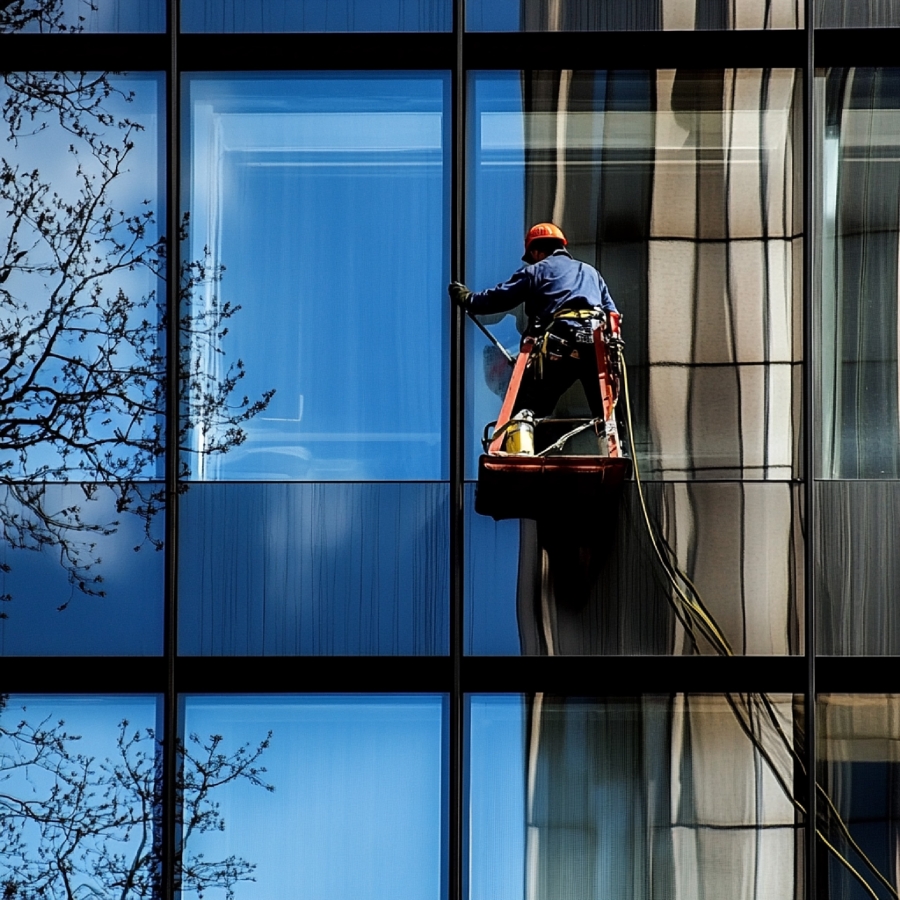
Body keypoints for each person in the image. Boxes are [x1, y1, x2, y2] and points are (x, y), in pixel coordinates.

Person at [448, 223, 620, 423]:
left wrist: (468, 299)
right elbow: (612, 316)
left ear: (537, 251)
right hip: (595, 345)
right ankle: (616, 442)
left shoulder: (536, 271)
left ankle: (521, 448)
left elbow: (499, 297)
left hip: (561, 343)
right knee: (606, 411)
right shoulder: (590, 272)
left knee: (525, 408)